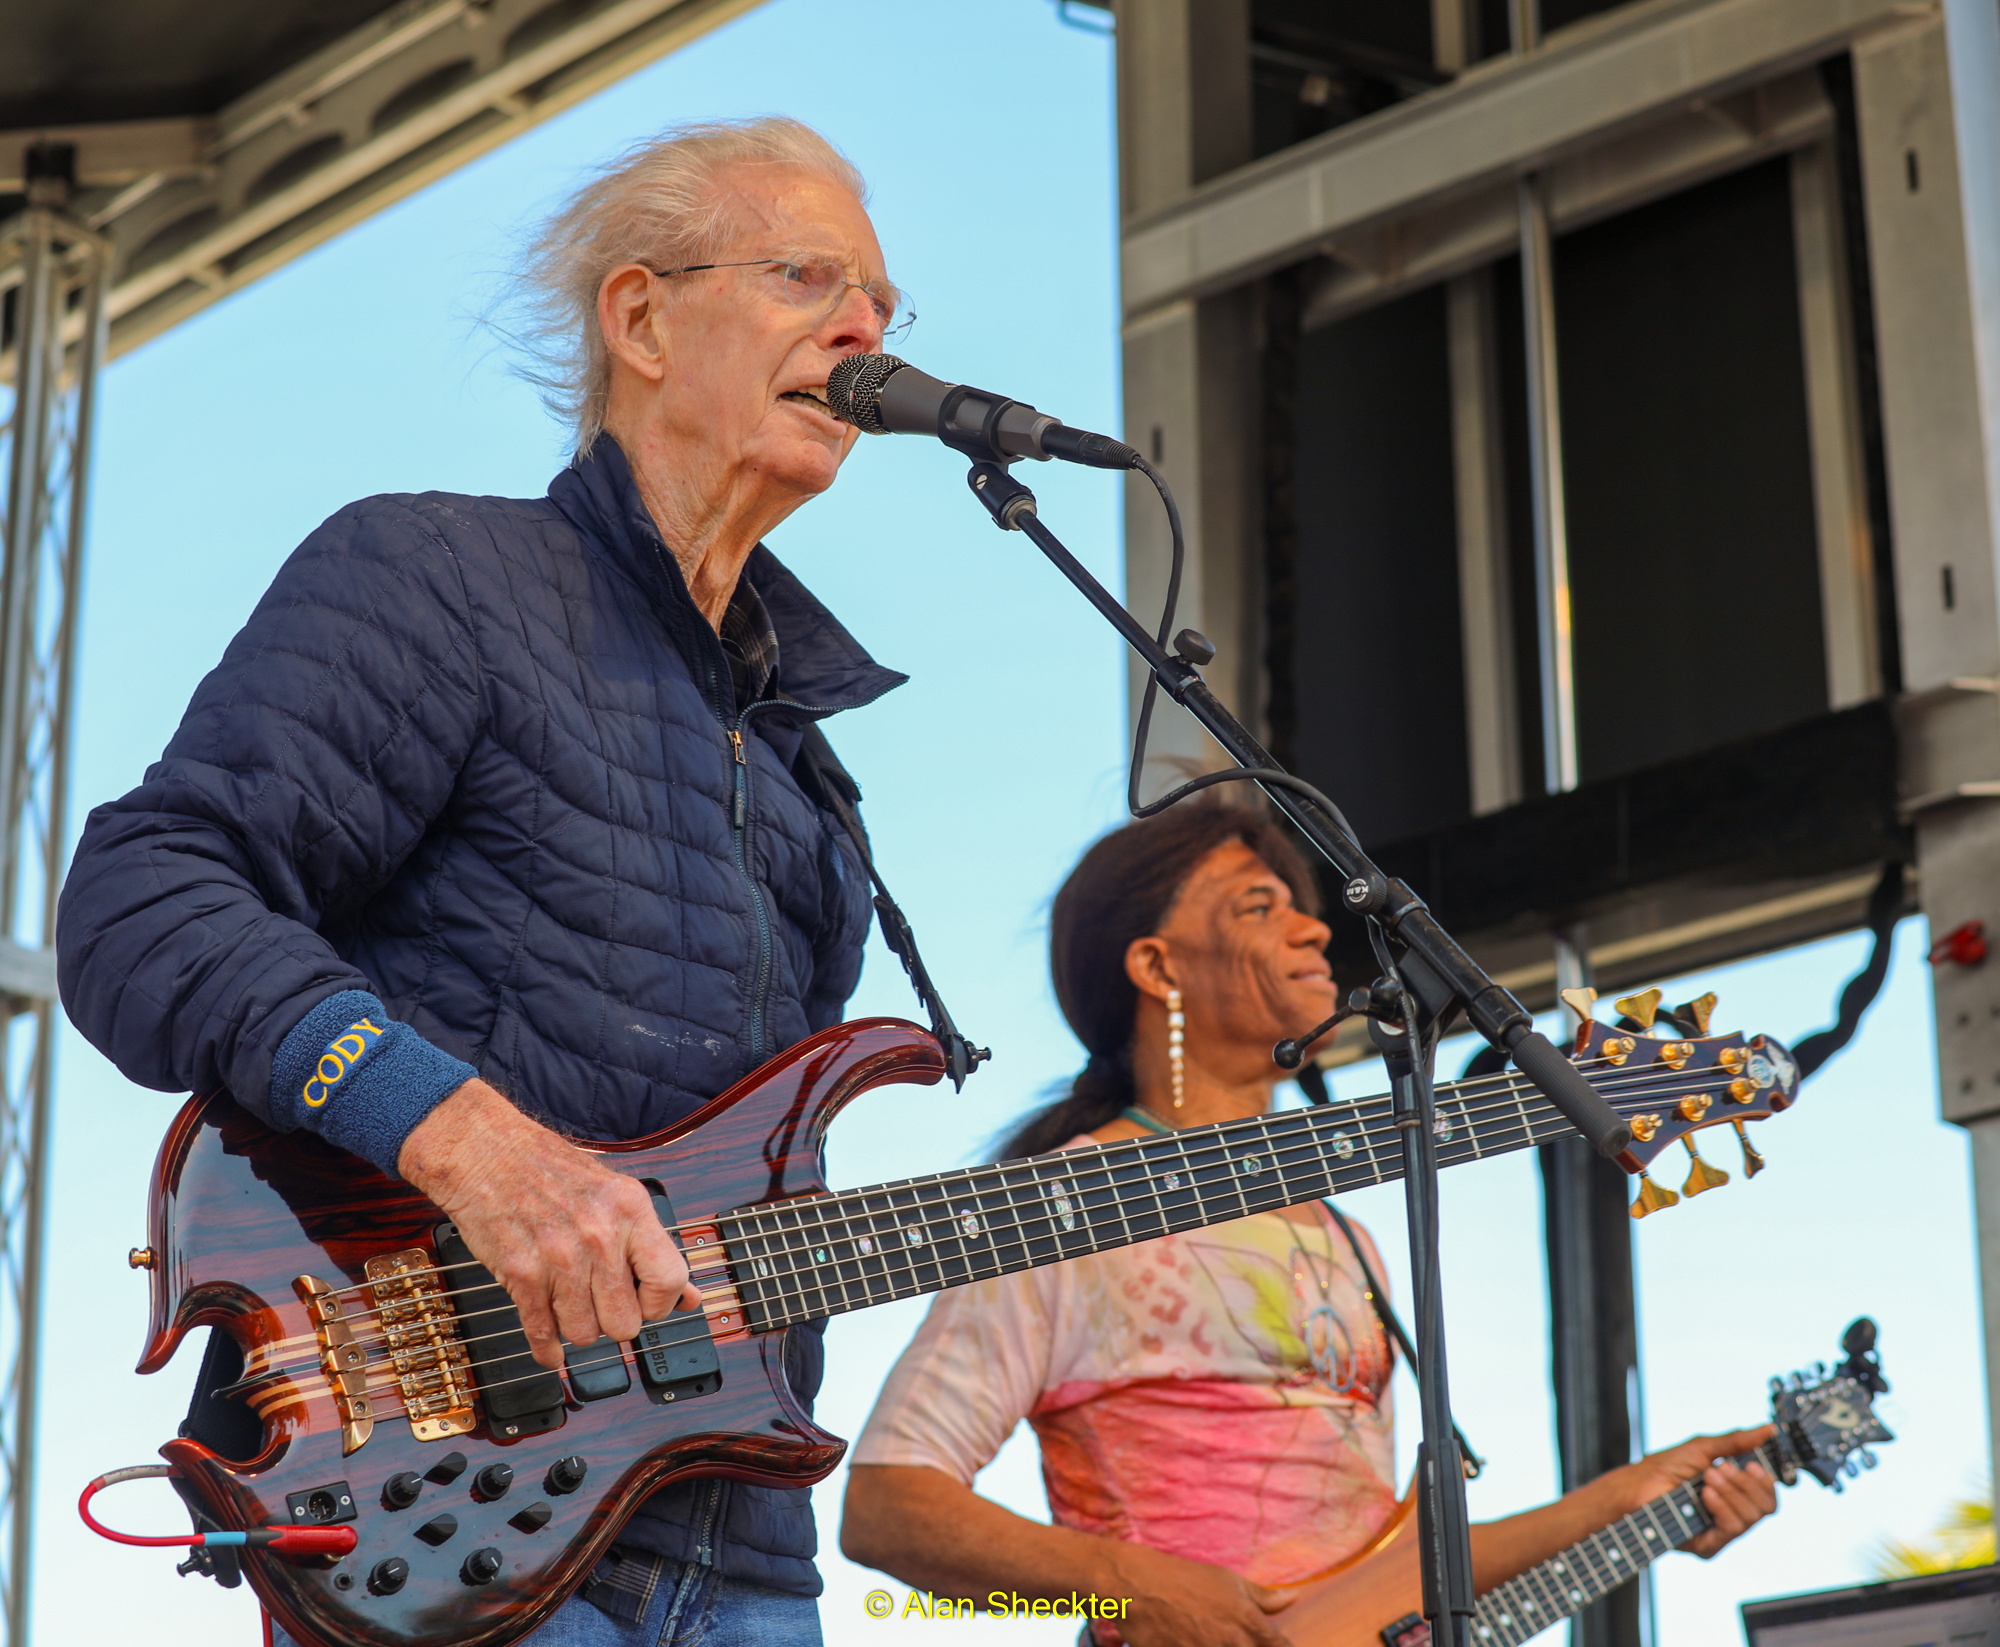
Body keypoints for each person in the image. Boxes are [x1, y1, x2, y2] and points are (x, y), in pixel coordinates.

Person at [57, 117, 908, 1646]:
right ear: (640, 316)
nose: (863, 329)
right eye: (807, 277)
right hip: (453, 1512)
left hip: (749, 1546)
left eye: (884, 308)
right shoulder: (439, 576)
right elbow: (145, 898)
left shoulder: (801, 765)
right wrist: (466, 1140)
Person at [838, 803, 1778, 1647]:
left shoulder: (1343, 1234)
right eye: (1258, 906)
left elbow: (1399, 1568)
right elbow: (886, 1508)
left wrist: (1634, 1499)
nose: (1312, 927)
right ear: (1156, 965)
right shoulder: (1070, 1202)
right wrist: (1116, 1592)